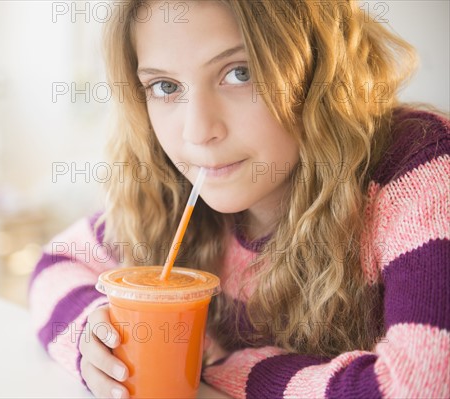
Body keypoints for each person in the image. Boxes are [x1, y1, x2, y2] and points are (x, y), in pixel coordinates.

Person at [29, 1, 450, 398]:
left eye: (240, 73)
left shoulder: (420, 167)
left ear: (318, 67)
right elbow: (59, 261)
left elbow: (417, 388)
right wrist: (93, 335)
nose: (198, 131)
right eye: (165, 85)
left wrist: (228, 369)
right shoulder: (170, 196)